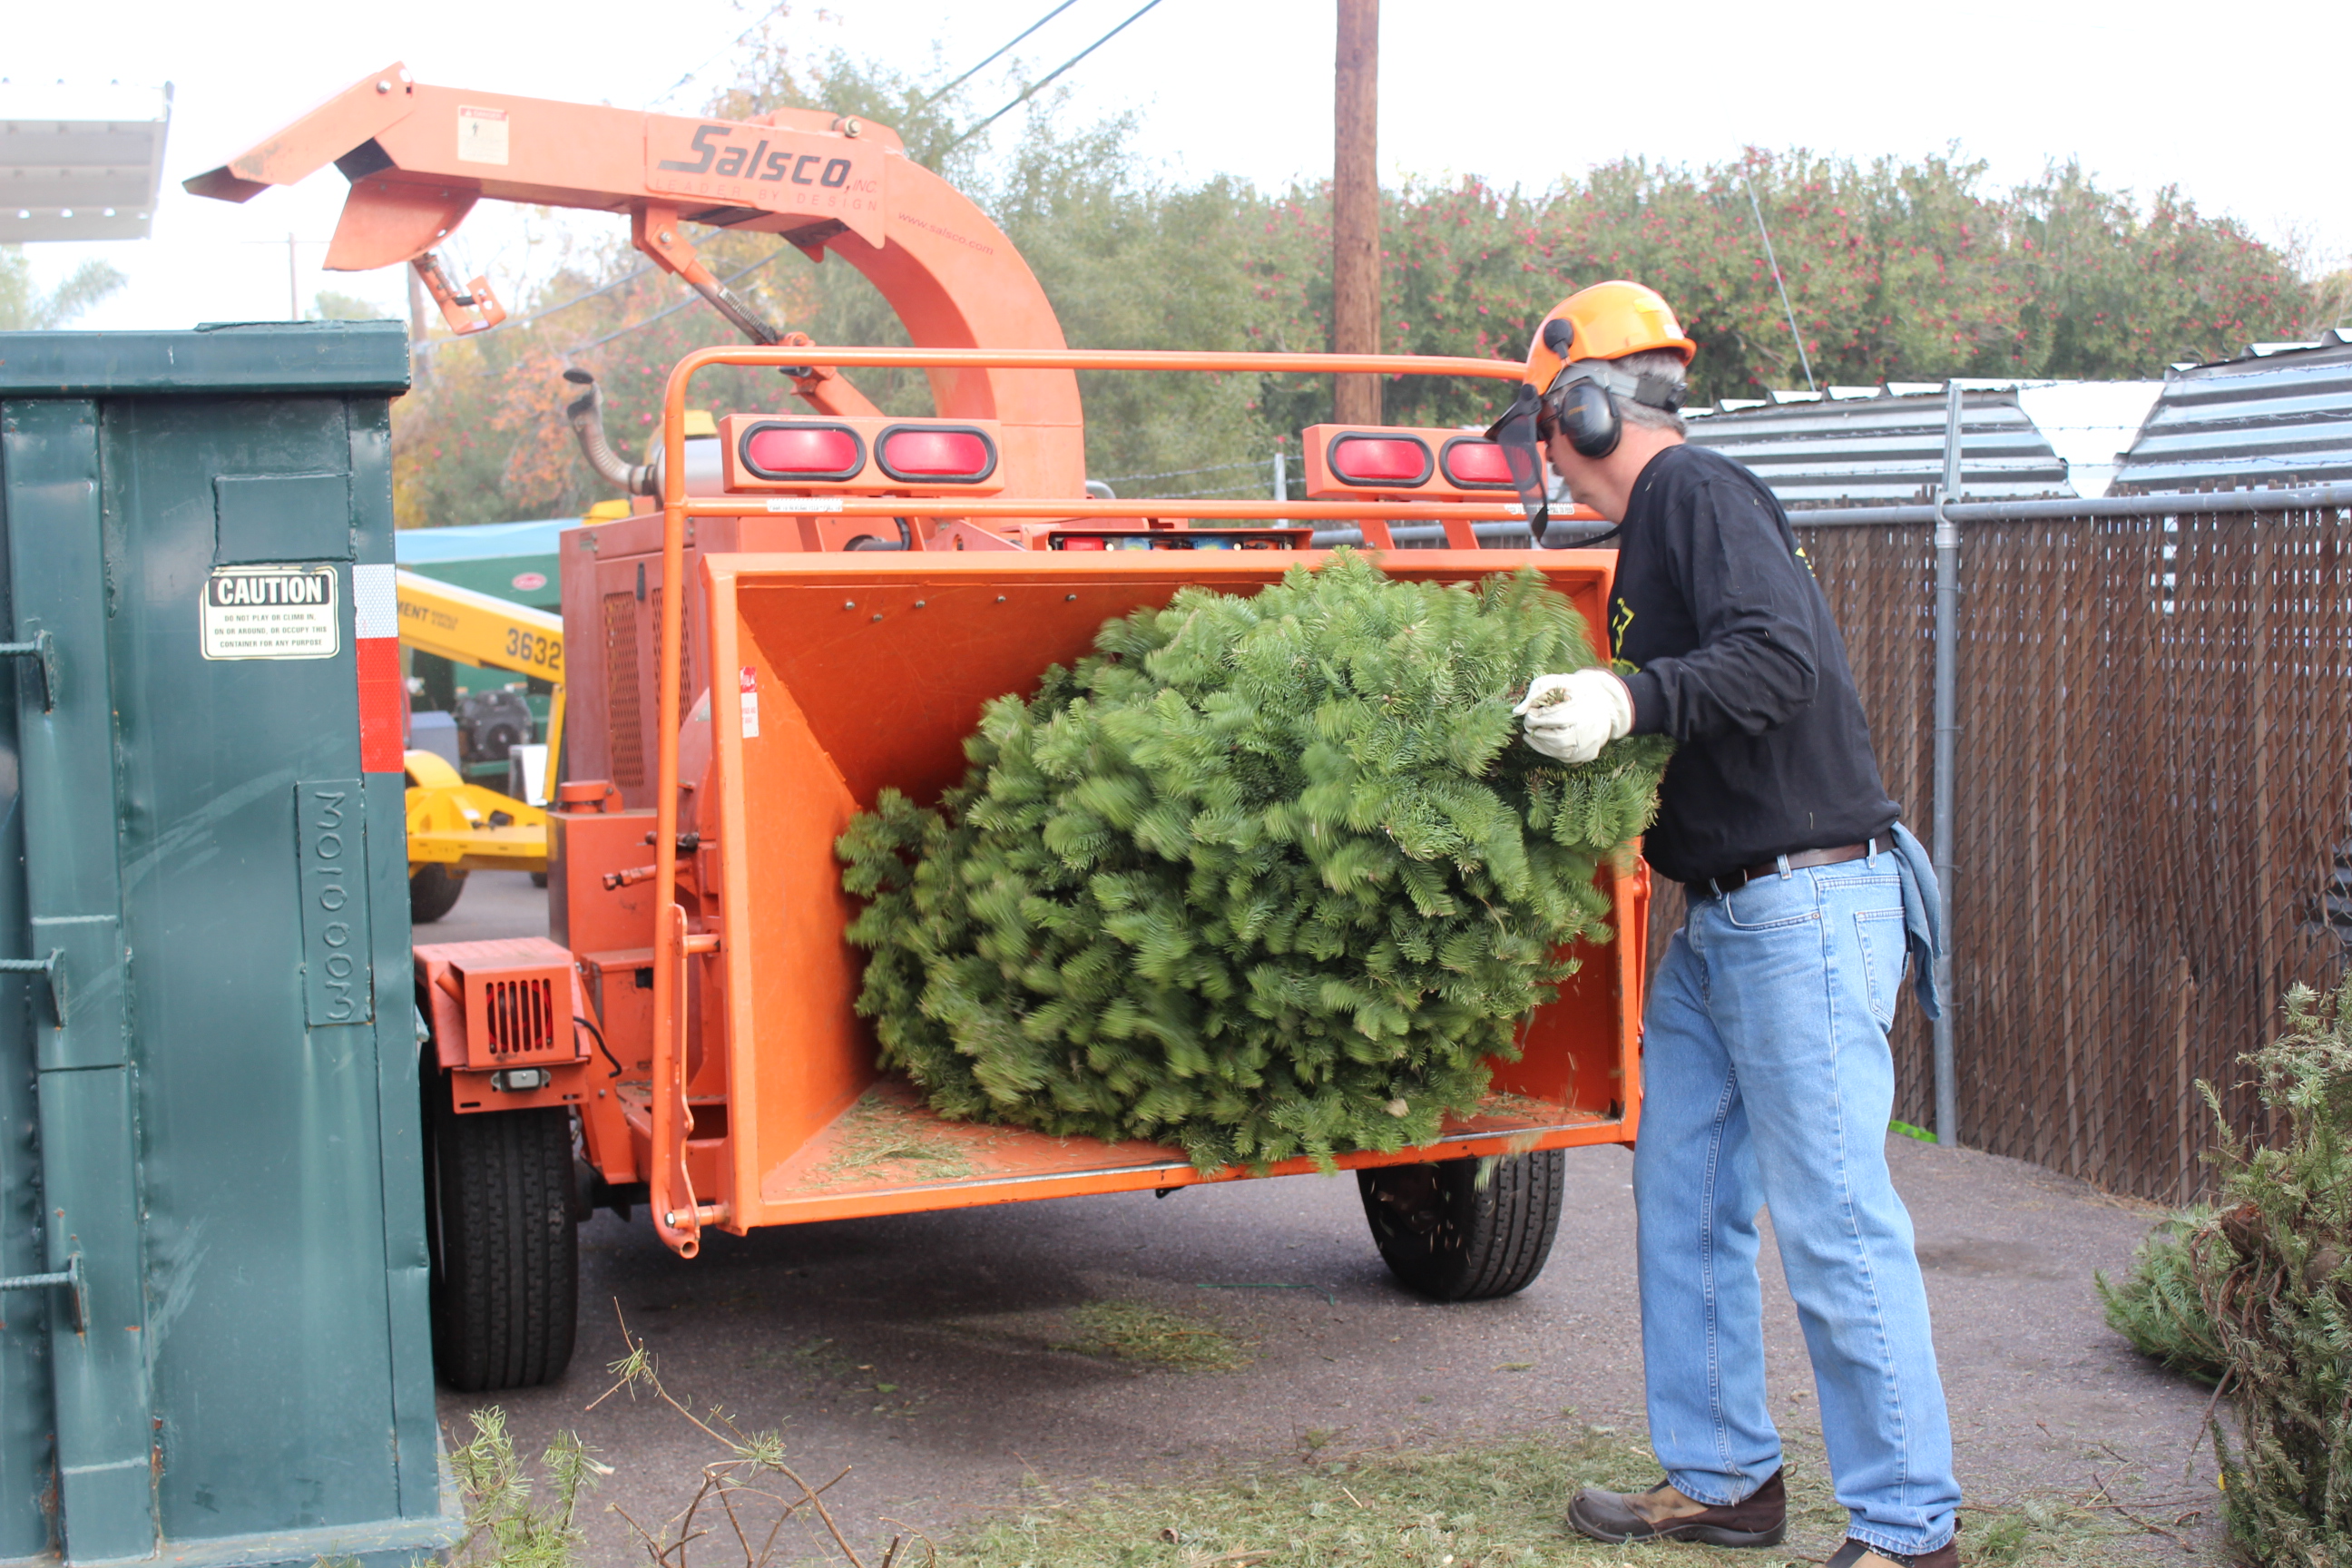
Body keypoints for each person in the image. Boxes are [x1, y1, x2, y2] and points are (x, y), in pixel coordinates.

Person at [1487, 282, 1958, 1568]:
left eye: (1542, 424)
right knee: (1686, 1196)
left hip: (1803, 908)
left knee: (1837, 1224)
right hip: (1726, 922)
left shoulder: (1699, 496)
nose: (1541, 456)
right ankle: (1725, 1481)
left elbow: (1775, 663)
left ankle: (1912, 1531)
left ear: (1586, 408)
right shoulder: (1652, 529)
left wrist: (1629, 702)